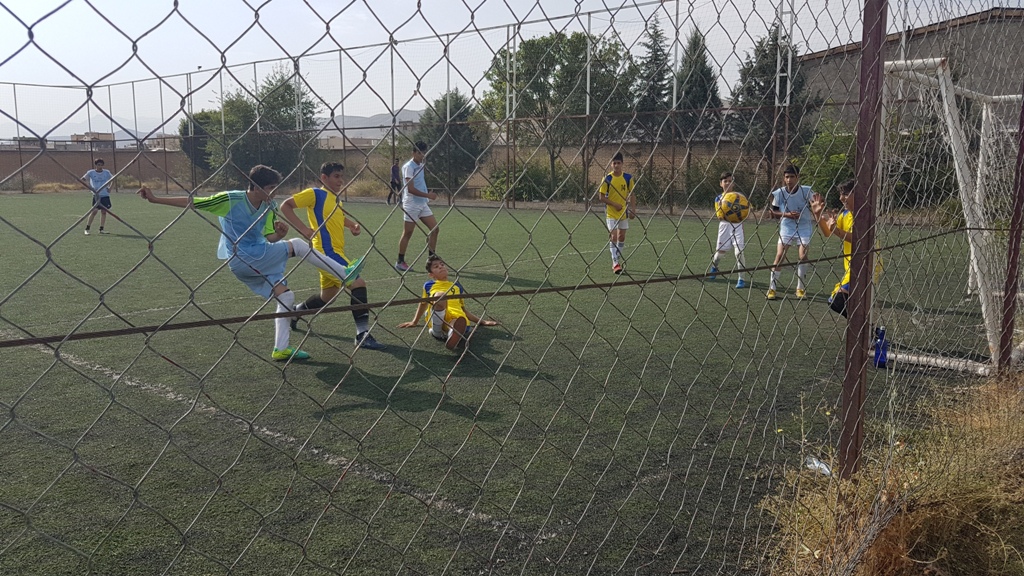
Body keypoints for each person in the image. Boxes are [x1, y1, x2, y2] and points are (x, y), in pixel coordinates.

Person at [137, 165, 364, 362]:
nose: (274, 193)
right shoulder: (231, 199)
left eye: (275, 188)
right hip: (243, 257)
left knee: (286, 297)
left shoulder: (268, 207)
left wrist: (278, 234)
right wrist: (155, 199)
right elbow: (193, 202)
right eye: (270, 188)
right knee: (297, 244)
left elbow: (268, 238)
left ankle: (281, 349)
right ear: (255, 187)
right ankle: (345, 273)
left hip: (257, 258)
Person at [279, 162, 385, 351]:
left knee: (327, 297)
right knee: (358, 283)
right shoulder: (315, 194)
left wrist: (351, 225)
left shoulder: (335, 199)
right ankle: (362, 334)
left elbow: (337, 217)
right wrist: (303, 229)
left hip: (336, 251)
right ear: (324, 177)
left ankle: (296, 312)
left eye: (341, 176)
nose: (341, 180)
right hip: (326, 251)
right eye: (336, 176)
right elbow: (286, 205)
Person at [397, 255, 498, 350]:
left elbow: (463, 309)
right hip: (438, 315)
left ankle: (452, 334)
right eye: (436, 266)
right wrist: (414, 322)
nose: (441, 267)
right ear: (431, 275)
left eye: (442, 264)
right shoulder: (429, 285)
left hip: (456, 317)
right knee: (440, 295)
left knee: (458, 321)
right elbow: (423, 304)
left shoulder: (457, 286)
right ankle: (438, 331)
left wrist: (482, 322)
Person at [766, 165, 820, 300]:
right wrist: (787, 215)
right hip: (787, 227)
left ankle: (800, 288)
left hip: (804, 227)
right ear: (784, 178)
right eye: (787, 177)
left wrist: (818, 206)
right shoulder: (780, 193)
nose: (789, 180)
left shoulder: (806, 191)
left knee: (803, 256)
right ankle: (772, 288)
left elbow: (817, 203)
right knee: (780, 256)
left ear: (798, 177)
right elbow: (772, 212)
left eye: (792, 177)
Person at [811, 180, 857, 317]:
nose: (841, 198)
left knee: (837, 300)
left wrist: (836, 230)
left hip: (866, 265)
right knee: (843, 301)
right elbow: (827, 232)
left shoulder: (864, 215)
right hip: (852, 268)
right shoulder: (845, 215)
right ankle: (870, 329)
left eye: (846, 194)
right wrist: (818, 215)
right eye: (840, 194)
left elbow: (858, 239)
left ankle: (869, 328)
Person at [395, 141, 439, 272]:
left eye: (423, 152)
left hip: (422, 203)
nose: (422, 155)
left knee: (435, 229)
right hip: (412, 204)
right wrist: (428, 195)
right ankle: (400, 261)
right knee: (408, 233)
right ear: (413, 153)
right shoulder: (408, 167)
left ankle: (431, 258)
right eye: (419, 152)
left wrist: (426, 196)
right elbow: (411, 189)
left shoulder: (421, 165)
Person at [597, 151, 636, 274]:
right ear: (611, 164)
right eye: (614, 163)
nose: (616, 165)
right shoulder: (607, 178)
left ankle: (616, 259)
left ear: (622, 164)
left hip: (623, 212)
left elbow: (632, 194)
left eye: (618, 163)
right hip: (611, 212)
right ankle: (615, 263)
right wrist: (614, 204)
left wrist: (633, 209)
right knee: (613, 236)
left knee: (621, 237)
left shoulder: (628, 178)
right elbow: (601, 197)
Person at [709, 171, 748, 289]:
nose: (728, 183)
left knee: (739, 252)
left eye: (730, 181)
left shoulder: (739, 197)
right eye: (725, 181)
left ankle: (741, 279)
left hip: (737, 225)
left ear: (733, 184)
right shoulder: (718, 198)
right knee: (719, 254)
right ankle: (714, 267)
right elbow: (719, 216)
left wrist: (740, 213)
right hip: (725, 226)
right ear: (721, 183)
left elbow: (746, 210)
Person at [82, 158, 114, 235]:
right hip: (96, 195)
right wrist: (89, 187)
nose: (100, 166)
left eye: (101, 165)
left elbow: (113, 179)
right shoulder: (91, 172)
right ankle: (87, 229)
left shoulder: (106, 172)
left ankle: (101, 229)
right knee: (94, 211)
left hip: (105, 195)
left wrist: (110, 189)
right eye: (98, 165)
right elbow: (83, 179)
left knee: (104, 212)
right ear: (96, 165)